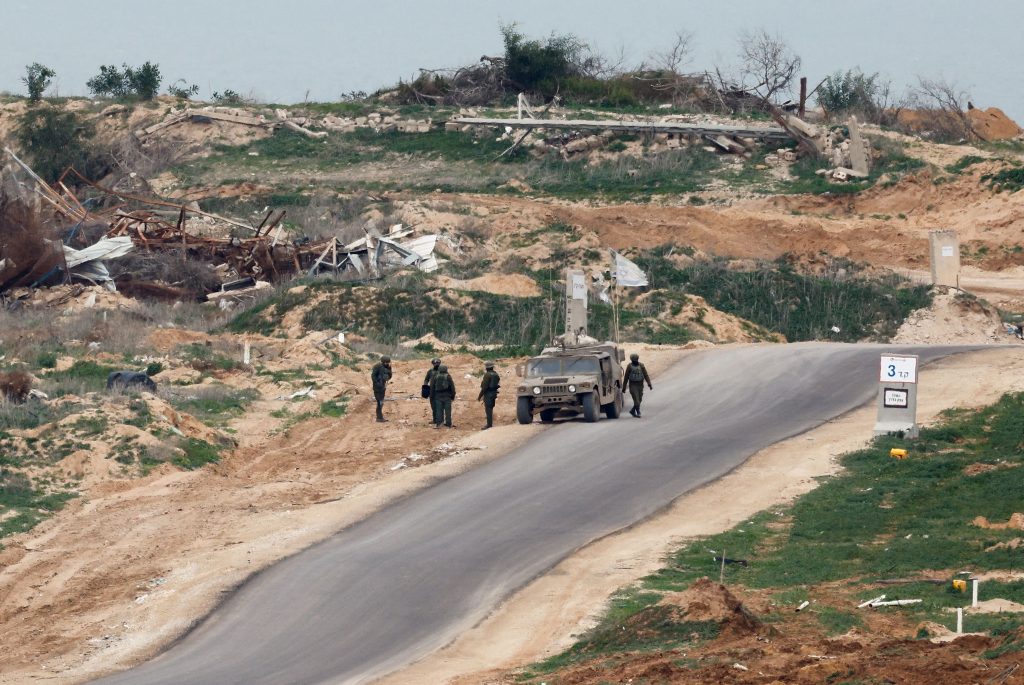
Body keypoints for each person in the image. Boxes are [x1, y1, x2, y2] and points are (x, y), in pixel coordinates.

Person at [622, 352, 652, 418]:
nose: (635, 361)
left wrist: (649, 384)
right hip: (633, 385)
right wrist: (624, 388)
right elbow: (626, 377)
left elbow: (646, 375)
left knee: (640, 399)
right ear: (631, 360)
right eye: (634, 360)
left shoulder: (641, 365)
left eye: (636, 359)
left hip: (640, 385)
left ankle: (632, 411)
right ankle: (638, 412)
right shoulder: (629, 366)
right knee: (636, 400)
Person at [429, 363, 457, 428]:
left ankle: (439, 424)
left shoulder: (435, 376)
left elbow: (432, 387)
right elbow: (452, 387)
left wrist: (432, 396)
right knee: (448, 411)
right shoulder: (448, 376)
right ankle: (448, 423)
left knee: (439, 410)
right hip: (447, 396)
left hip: (438, 396)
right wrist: (453, 396)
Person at [477, 361, 501, 429]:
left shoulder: (487, 375)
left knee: (488, 409)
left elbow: (484, 387)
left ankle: (489, 424)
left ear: (486, 368)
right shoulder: (496, 374)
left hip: (488, 394)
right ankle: (489, 423)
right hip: (494, 393)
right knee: (490, 408)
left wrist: (480, 396)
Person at [370, 356, 392, 422]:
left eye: (388, 363)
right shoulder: (377, 366)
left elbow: (389, 376)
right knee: (380, 402)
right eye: (386, 363)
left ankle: (379, 417)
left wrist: (389, 369)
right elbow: (373, 376)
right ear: (383, 362)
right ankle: (379, 418)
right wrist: (377, 383)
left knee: (381, 402)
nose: (387, 363)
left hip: (383, 387)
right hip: (377, 387)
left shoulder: (387, 367)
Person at [423, 358, 442, 425]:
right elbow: (426, 379)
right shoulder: (430, 371)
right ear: (433, 364)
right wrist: (425, 387)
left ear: (440, 363)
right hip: (432, 391)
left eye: (437, 363)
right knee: (433, 406)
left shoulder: (443, 371)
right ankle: (435, 420)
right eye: (435, 363)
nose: (436, 364)